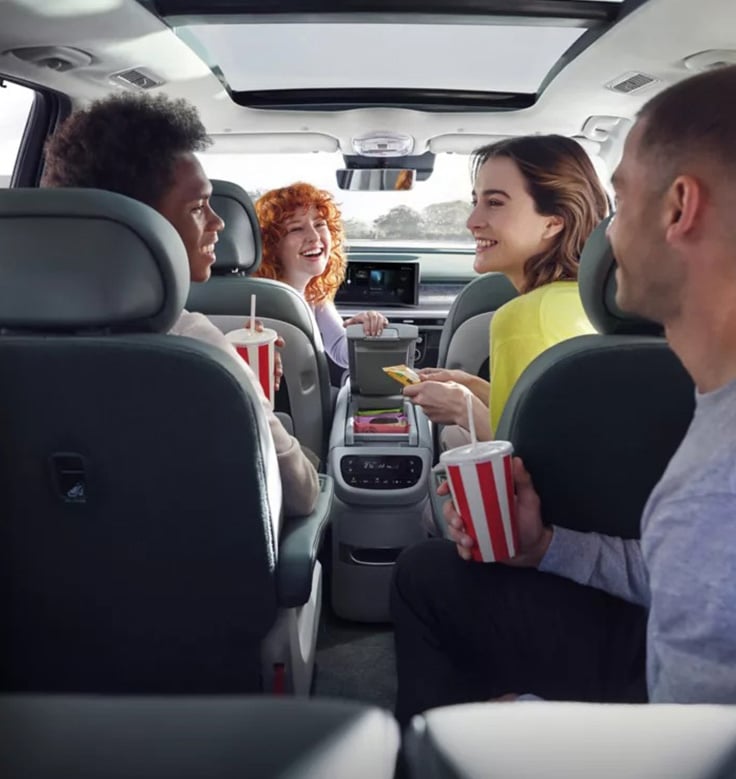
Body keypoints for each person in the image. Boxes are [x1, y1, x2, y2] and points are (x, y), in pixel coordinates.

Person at [391, 64, 736, 725]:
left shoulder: (716, 486)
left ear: (680, 208)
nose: (603, 232)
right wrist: (545, 545)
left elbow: (698, 744)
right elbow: (680, 577)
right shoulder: (712, 408)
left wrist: (537, 725)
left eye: (621, 203)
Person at [41, 92, 319, 518]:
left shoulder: (20, 337)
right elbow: (300, 493)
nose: (218, 222)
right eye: (197, 207)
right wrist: (240, 383)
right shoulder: (197, 345)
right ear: (136, 223)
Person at [403, 135, 608, 439]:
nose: (472, 221)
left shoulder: (524, 317)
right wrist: (471, 386)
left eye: (495, 203)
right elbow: (548, 415)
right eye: (476, 202)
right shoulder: (587, 301)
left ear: (554, 222)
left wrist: (463, 408)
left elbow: (527, 459)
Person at [254, 182, 388, 369]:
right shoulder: (255, 301)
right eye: (296, 228)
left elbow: (342, 352)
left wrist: (363, 329)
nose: (315, 237)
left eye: (319, 224)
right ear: (271, 244)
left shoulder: (314, 295)